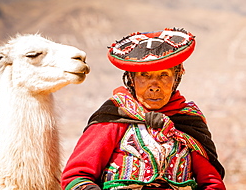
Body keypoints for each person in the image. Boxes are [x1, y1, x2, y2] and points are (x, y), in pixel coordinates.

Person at [61, 28, 226, 190]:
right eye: (144, 75)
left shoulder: (188, 121)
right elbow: (76, 177)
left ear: (176, 78)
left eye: (164, 75)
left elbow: (212, 183)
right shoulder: (115, 115)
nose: (154, 86)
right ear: (131, 79)